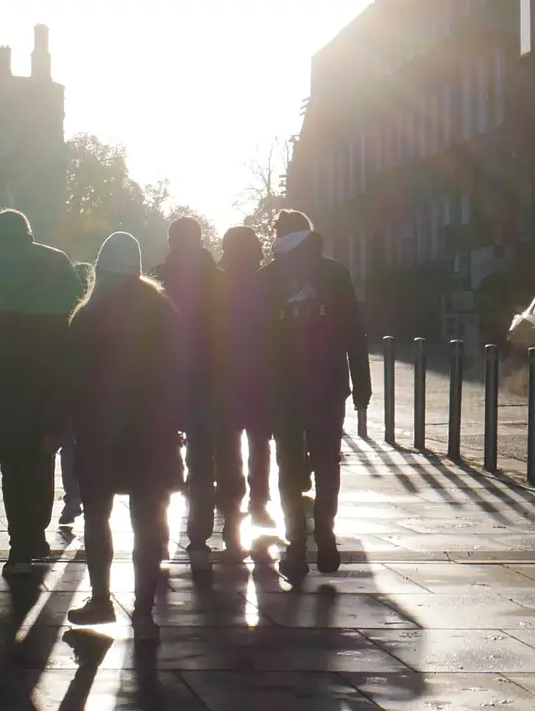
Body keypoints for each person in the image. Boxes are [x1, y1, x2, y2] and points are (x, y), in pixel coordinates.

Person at [64, 232, 183, 632]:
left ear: (100, 270)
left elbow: (73, 380)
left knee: (97, 519)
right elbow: (180, 372)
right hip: (152, 433)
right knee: (147, 520)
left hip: (100, 435)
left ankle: (101, 600)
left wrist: (65, 426)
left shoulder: (87, 316)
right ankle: (145, 606)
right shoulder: (162, 311)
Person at [0, 209, 84, 576]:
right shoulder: (56, 261)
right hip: (46, 379)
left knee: (12, 466)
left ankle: (20, 542)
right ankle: (35, 533)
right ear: (28, 231)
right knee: (41, 458)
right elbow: (72, 318)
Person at [262, 210, 370, 579]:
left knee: (289, 468)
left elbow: (254, 342)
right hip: (328, 386)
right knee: (327, 464)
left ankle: (296, 546)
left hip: (284, 390)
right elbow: (354, 330)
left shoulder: (269, 278)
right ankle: (325, 533)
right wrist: (362, 382)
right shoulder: (335, 274)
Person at [149, 216, 237, 556]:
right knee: (203, 460)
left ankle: (157, 532)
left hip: (165, 382)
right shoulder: (220, 281)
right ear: (200, 241)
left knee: (158, 459)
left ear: (171, 241)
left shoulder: (157, 278)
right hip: (210, 380)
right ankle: (198, 535)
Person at [218, 226, 275, 525]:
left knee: (228, 441)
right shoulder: (266, 281)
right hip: (260, 373)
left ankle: (230, 493)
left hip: (226, 373)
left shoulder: (218, 282)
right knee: (259, 439)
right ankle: (259, 496)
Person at [57, 262, 96, 526]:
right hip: (96, 393)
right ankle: (90, 496)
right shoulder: (95, 312)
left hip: (71, 389)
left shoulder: (66, 314)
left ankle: (73, 496)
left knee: (68, 447)